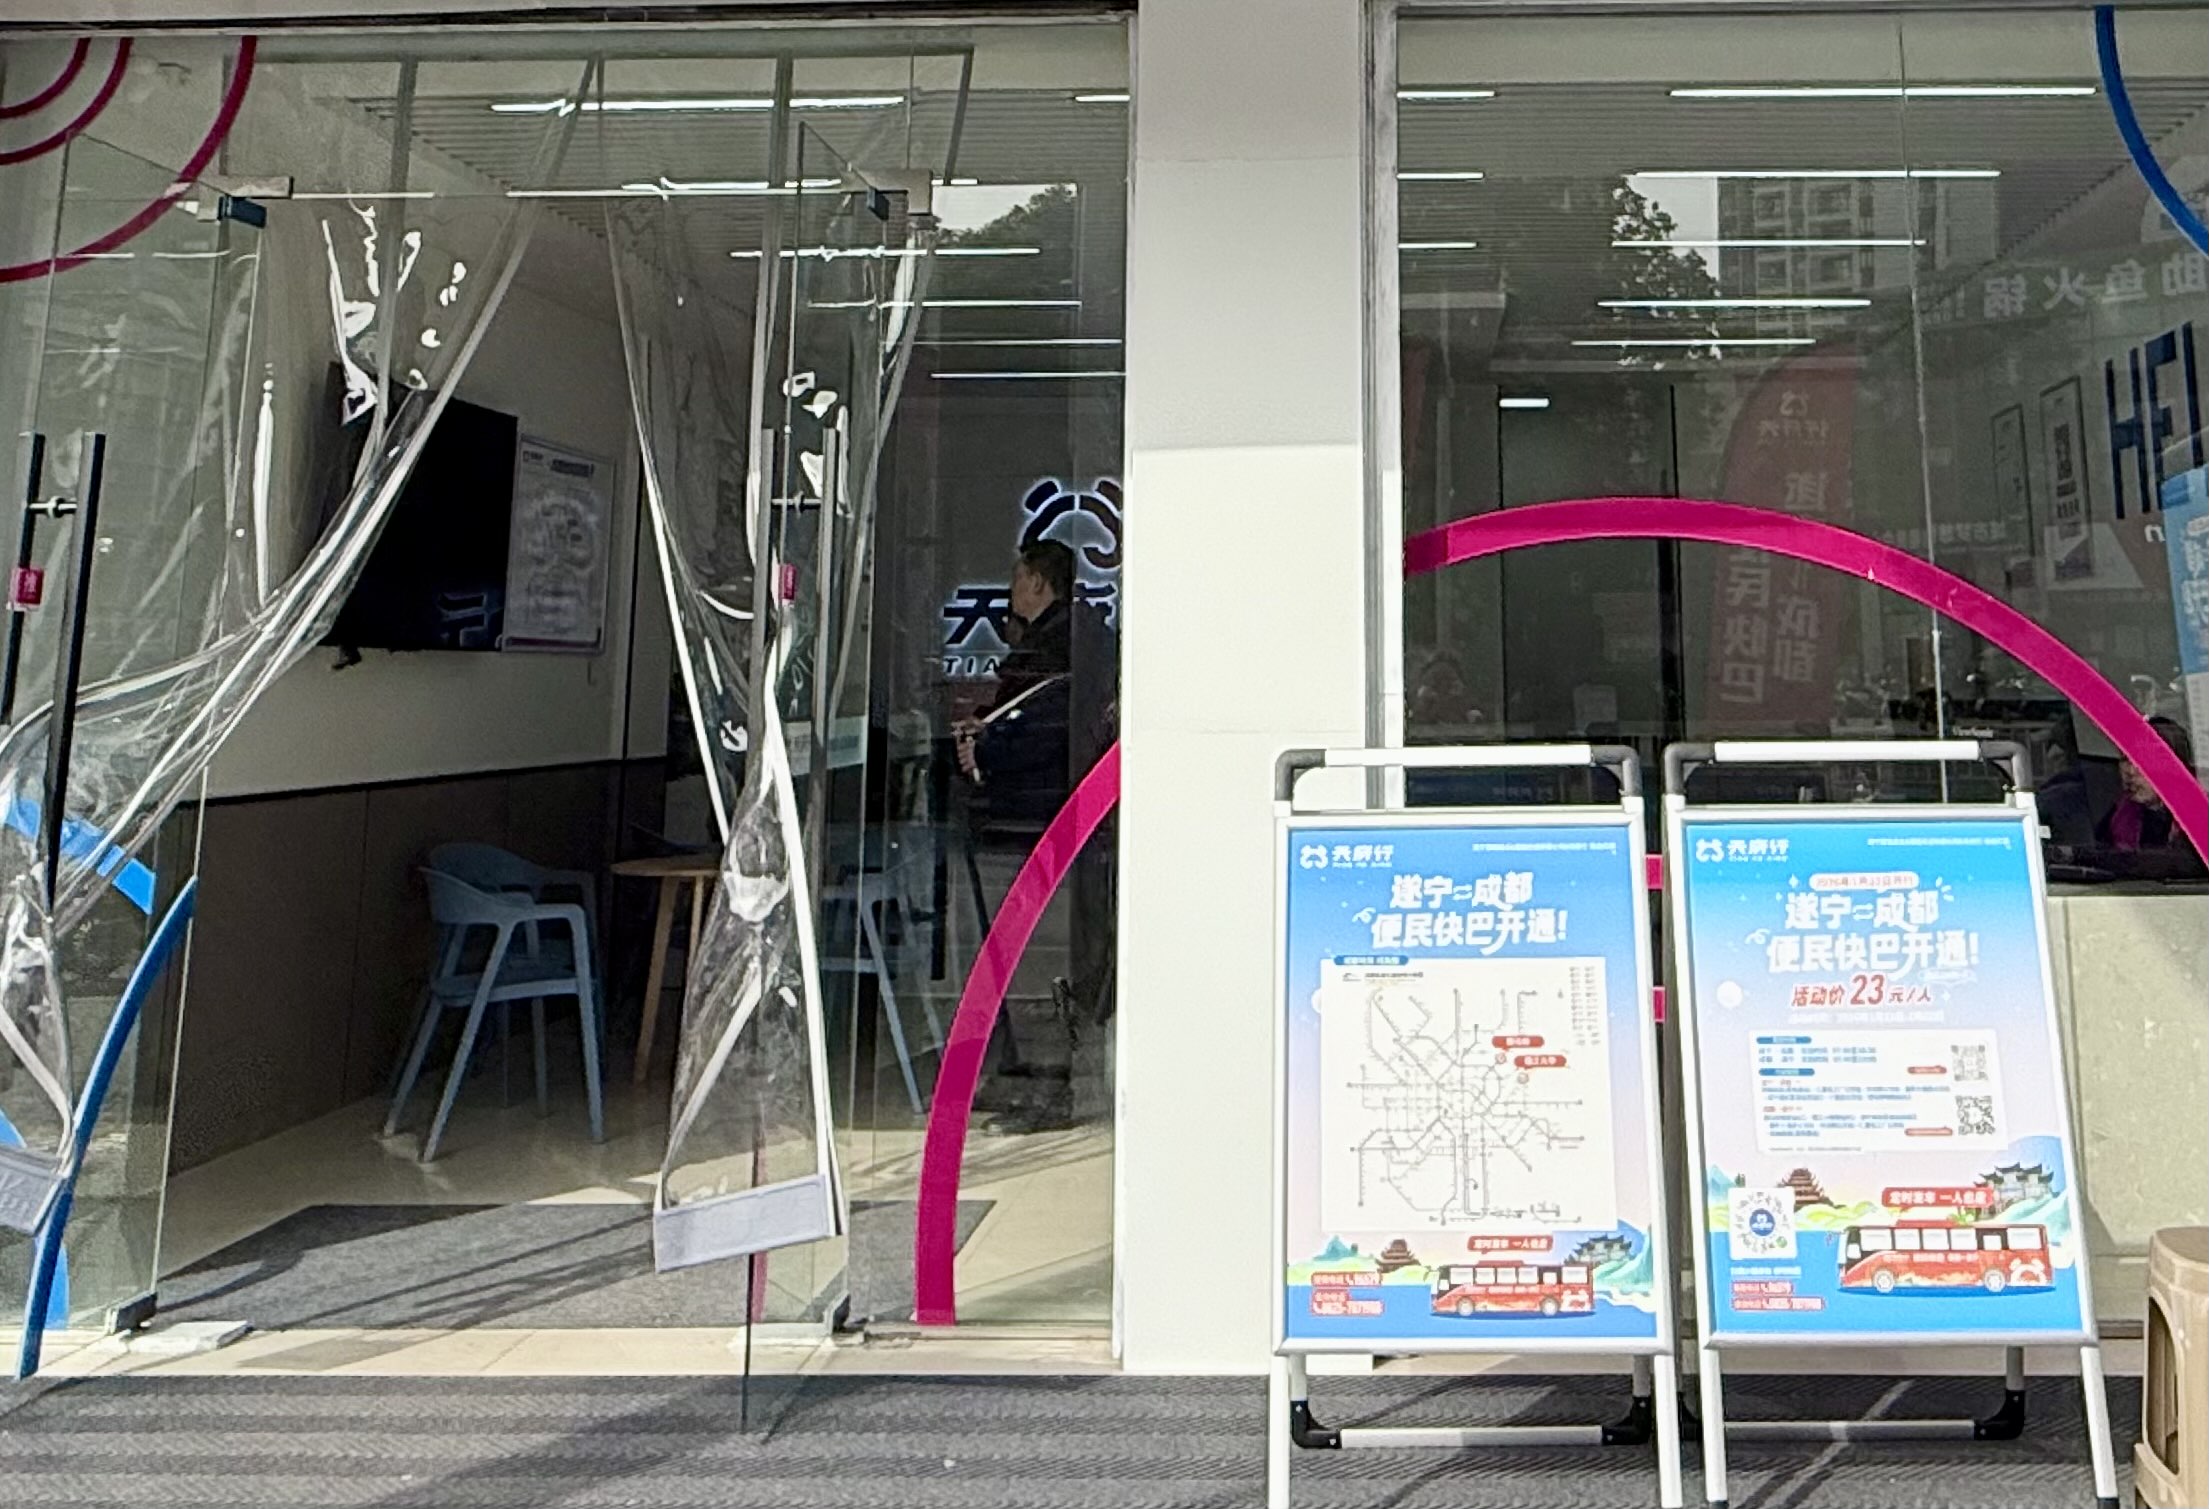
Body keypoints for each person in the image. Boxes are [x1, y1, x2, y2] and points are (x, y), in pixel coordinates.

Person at [956, 540, 1117, 1131]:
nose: (1010, 590)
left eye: (1017, 578)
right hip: (1059, 823)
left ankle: (1049, 1085)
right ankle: (1032, 1074)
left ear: (1039, 584)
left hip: (1036, 823)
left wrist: (985, 751)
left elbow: (1044, 728)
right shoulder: (1081, 638)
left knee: (1038, 959)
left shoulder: (1055, 649)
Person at [2100, 715, 2195, 851]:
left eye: (2143, 761)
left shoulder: (2200, 817)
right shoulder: (2119, 816)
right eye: (2125, 759)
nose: (2131, 771)